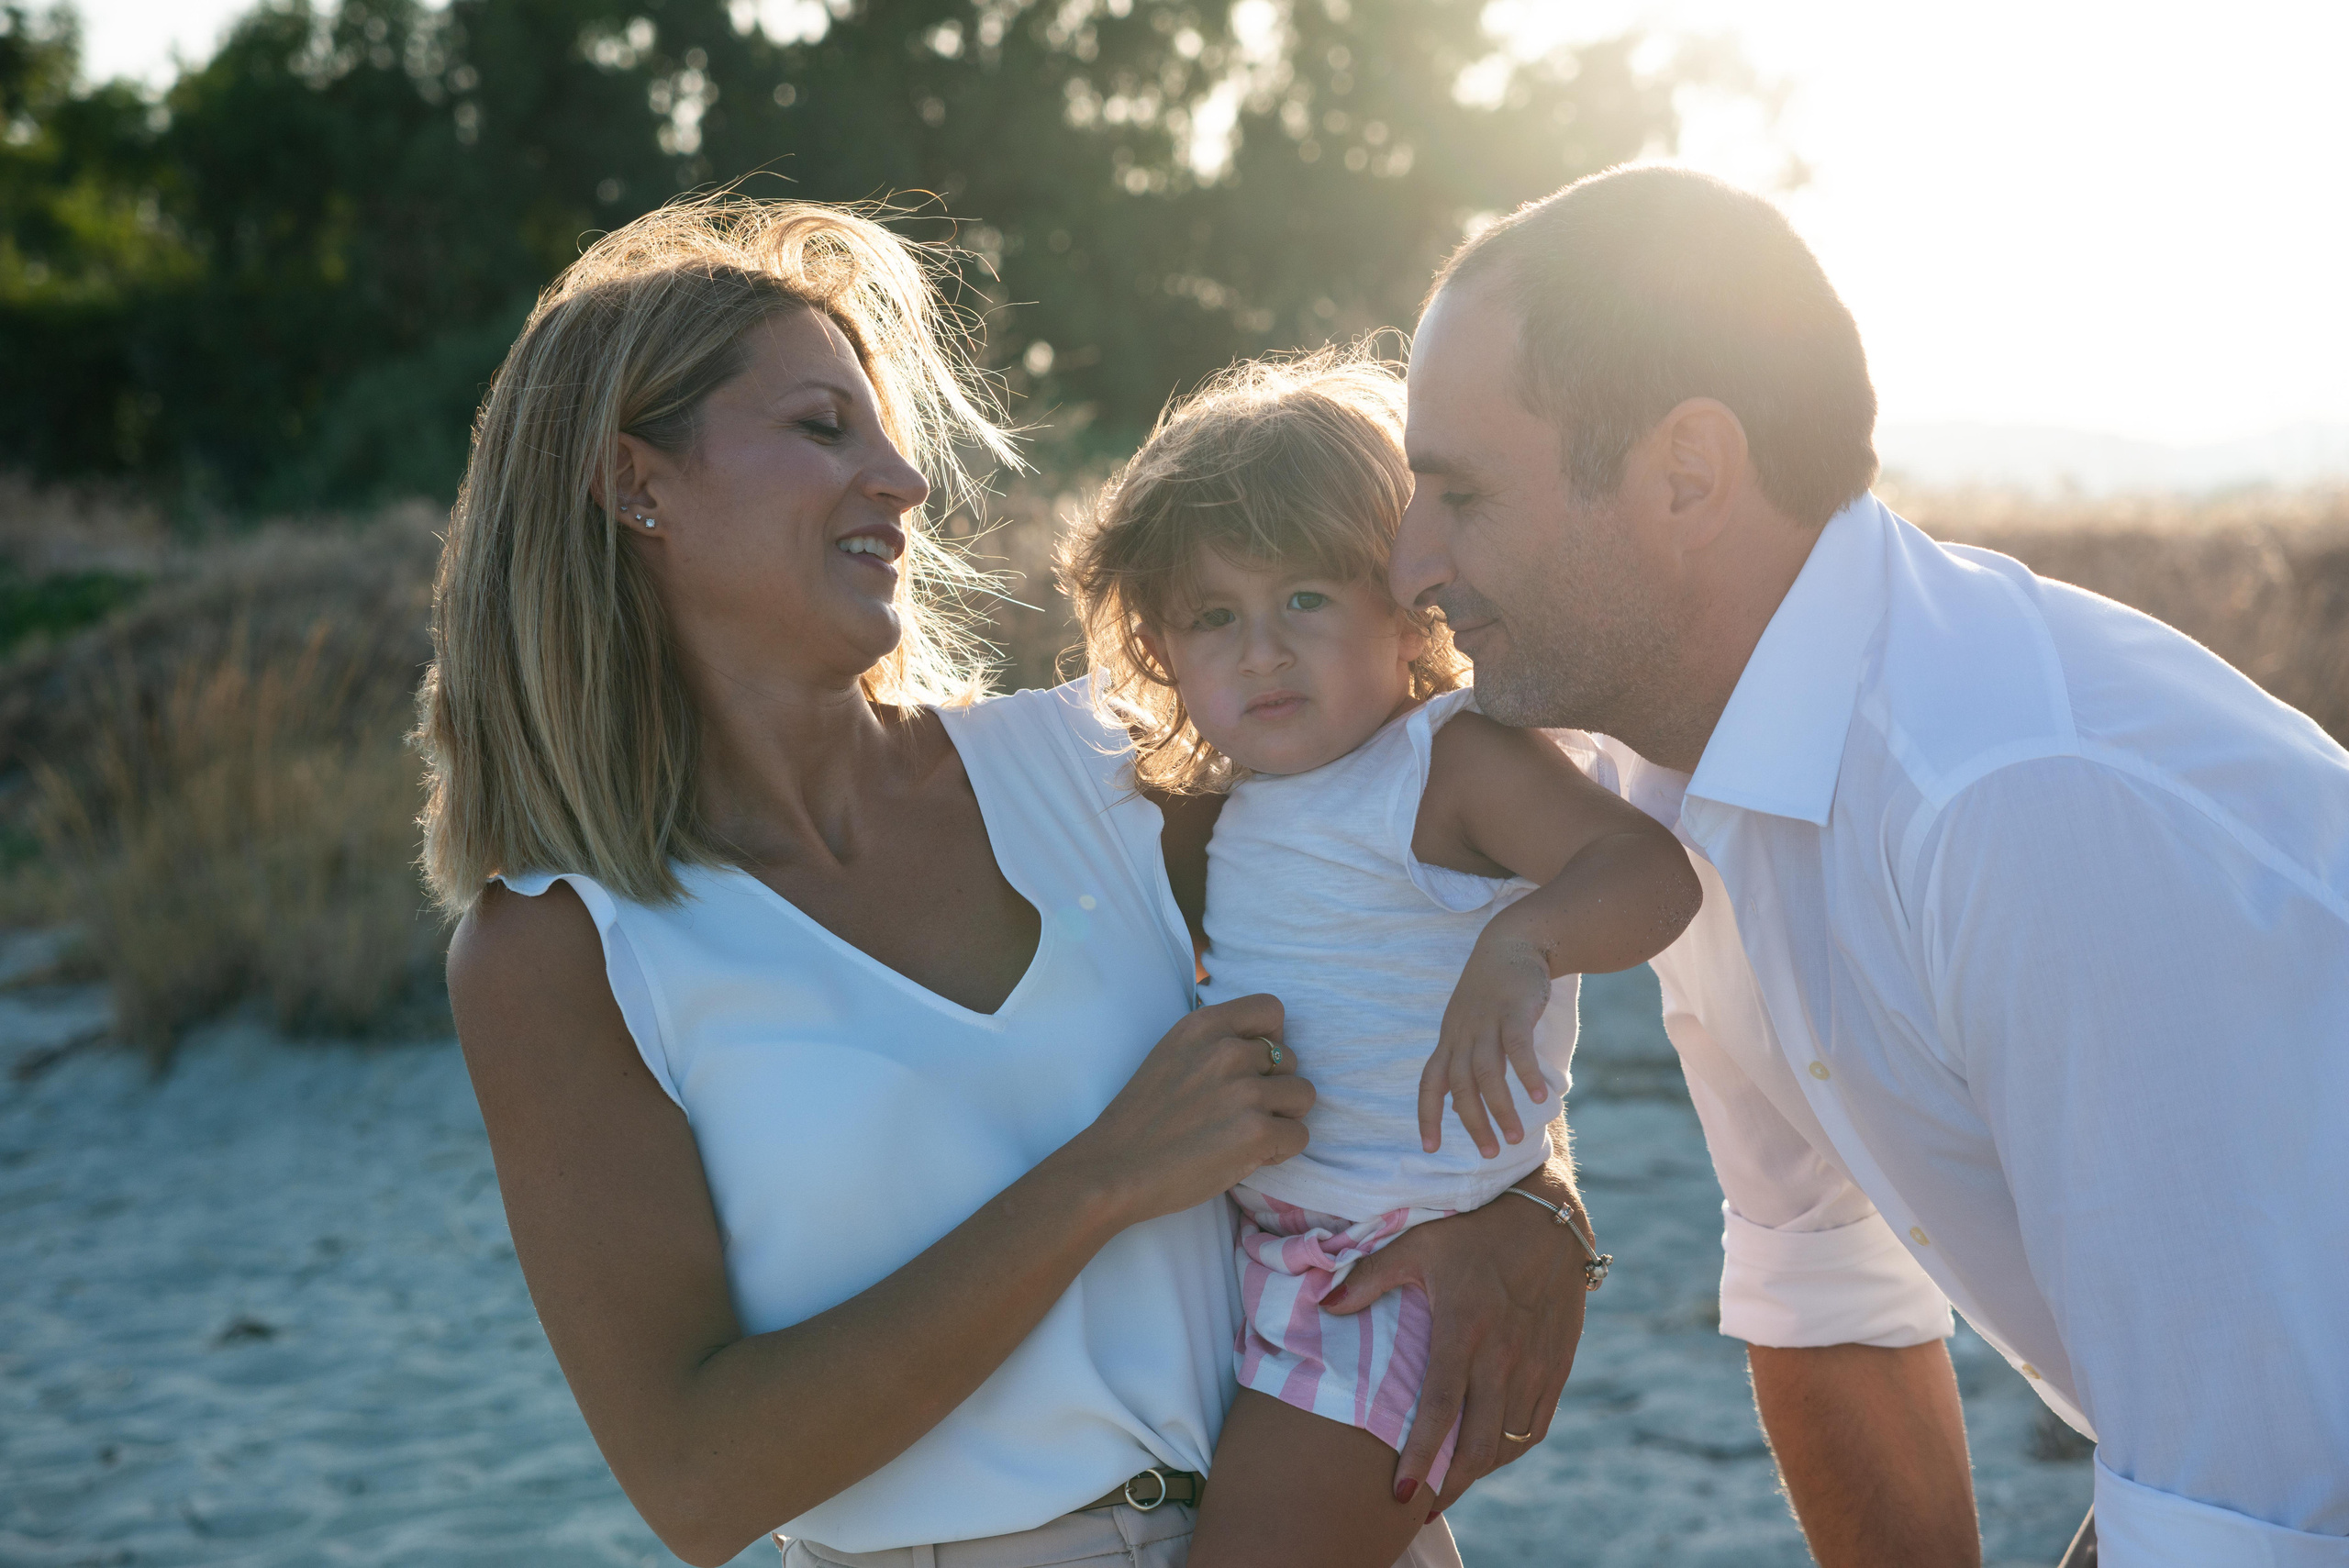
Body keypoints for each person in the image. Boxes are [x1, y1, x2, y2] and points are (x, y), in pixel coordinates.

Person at [418, 194, 1596, 1568]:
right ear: (638, 485)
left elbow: (1430, 931)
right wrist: (1099, 1180)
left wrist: (1537, 1207)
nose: (903, 481)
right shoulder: (564, 952)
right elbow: (695, 1478)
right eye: (820, 429)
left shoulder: (1107, 767)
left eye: (886, 431)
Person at [1388, 161, 2349, 1567]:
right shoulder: (1677, 781)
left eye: (1459, 494)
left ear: (1687, 478)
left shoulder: (2007, 804)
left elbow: (2257, 1508)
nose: (1413, 562)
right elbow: (1823, 1289)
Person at [1058, 350, 1701, 1565]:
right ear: (1160, 645)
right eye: (1214, 616)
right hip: (1275, 1254)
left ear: (1408, 611)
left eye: (1304, 599)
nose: (1259, 651)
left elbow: (1650, 873)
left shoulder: (1445, 759)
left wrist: (1523, 940)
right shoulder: (1233, 799)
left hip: (1395, 1267)